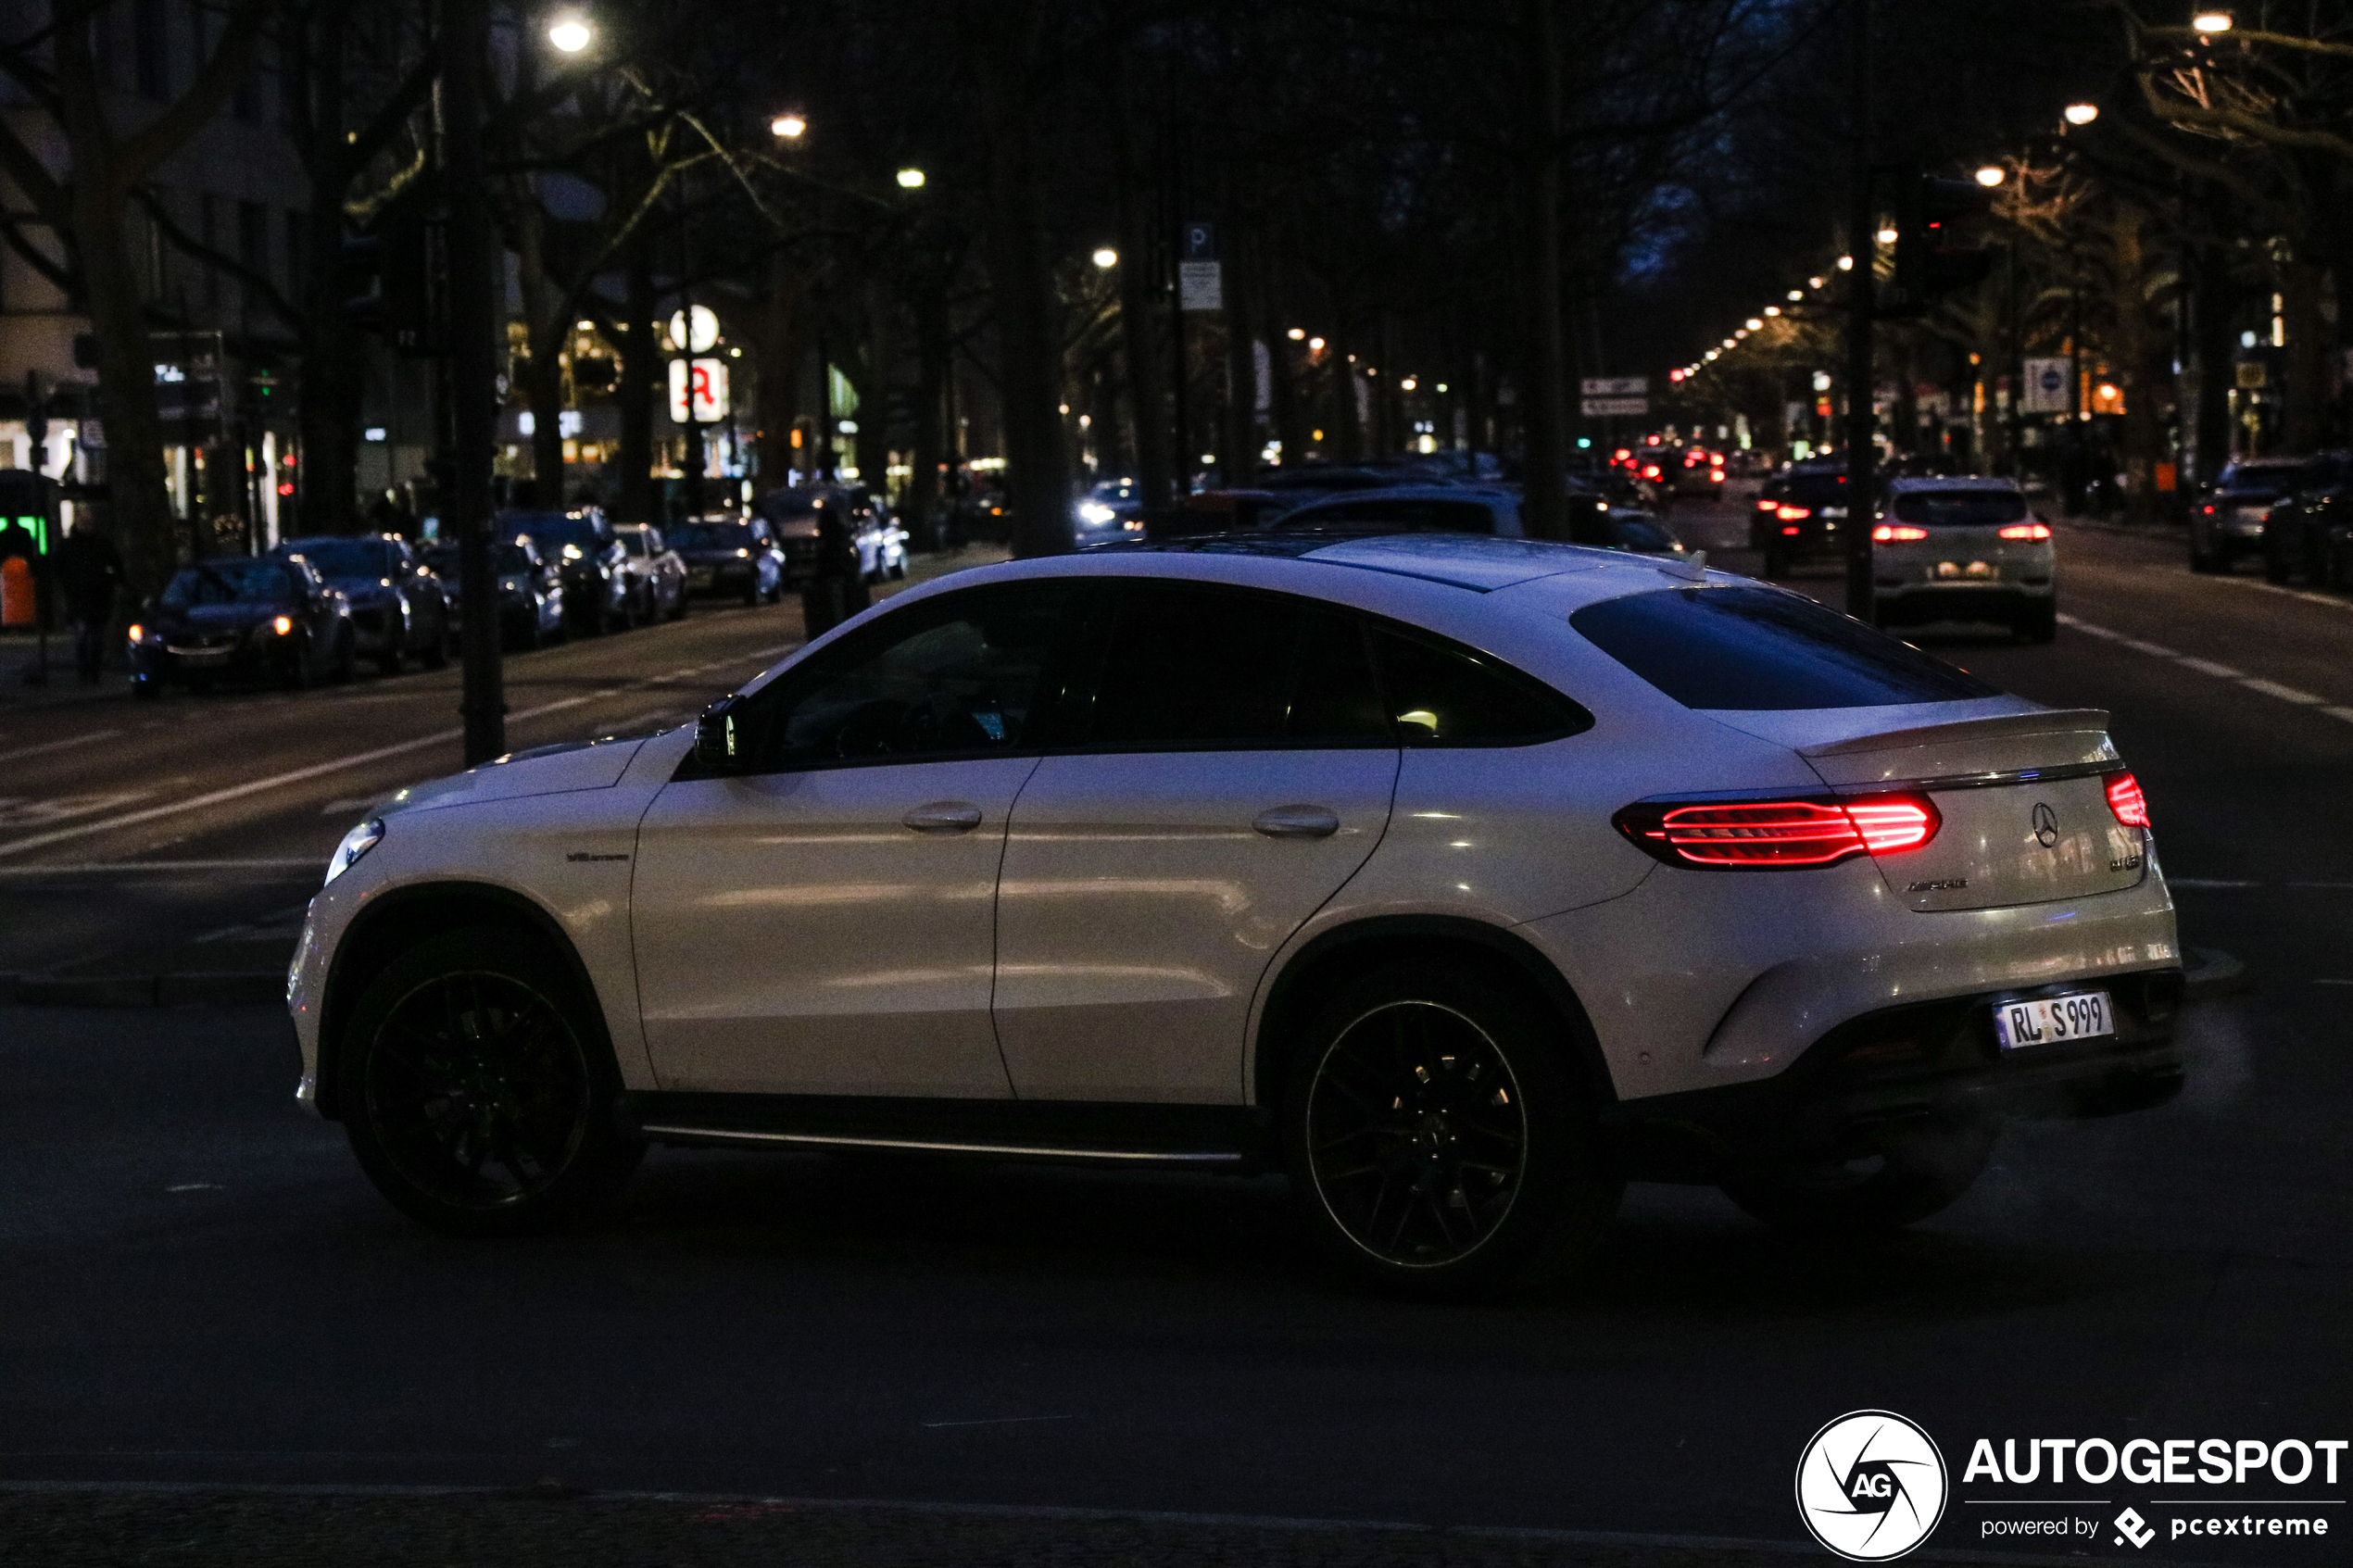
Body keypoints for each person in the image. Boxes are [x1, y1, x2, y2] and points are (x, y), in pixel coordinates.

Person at [54, 521, 124, 684]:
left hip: (95, 595)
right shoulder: (76, 545)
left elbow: (116, 565)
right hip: (82, 595)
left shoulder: (98, 544)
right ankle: (87, 671)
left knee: (93, 635)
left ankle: (91, 671)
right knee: (86, 635)